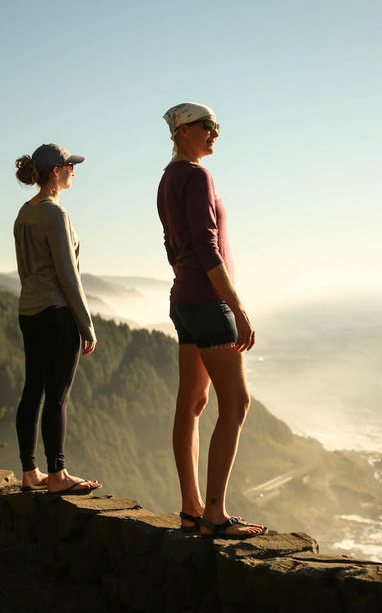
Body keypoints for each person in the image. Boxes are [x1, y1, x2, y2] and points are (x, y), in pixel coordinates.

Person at [156, 102, 266, 538]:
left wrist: (189, 282)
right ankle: (215, 515)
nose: (215, 132)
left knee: (193, 404)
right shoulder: (196, 175)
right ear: (184, 131)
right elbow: (206, 245)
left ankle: (191, 508)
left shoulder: (168, 178)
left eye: (216, 125)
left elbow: (172, 245)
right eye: (208, 126)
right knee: (236, 403)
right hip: (207, 300)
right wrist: (237, 309)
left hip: (184, 299)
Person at [13, 143, 101, 495]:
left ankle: (29, 471)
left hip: (29, 310)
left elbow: (24, 269)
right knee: (58, 397)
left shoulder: (23, 213)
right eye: (69, 166)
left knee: (32, 391)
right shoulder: (55, 214)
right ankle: (58, 475)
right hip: (57, 313)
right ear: (55, 171)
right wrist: (86, 324)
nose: (73, 171)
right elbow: (69, 275)